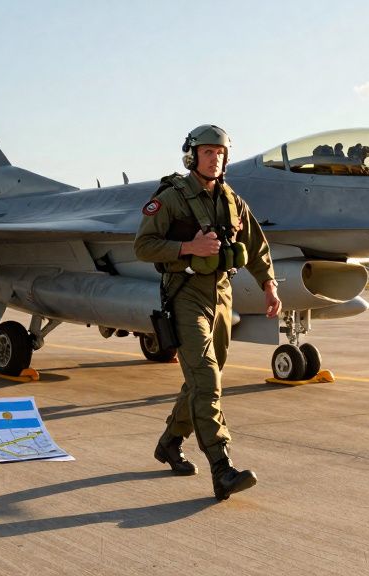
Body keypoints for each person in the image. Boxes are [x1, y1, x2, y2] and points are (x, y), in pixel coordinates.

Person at [133, 124, 281, 500]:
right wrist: (188, 248)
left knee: (202, 380)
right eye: (207, 152)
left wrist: (269, 285)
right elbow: (143, 246)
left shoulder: (232, 201)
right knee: (206, 379)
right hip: (185, 295)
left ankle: (170, 442)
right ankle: (221, 467)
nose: (214, 159)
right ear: (192, 156)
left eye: (220, 153)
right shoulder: (171, 198)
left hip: (221, 296)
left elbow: (256, 245)